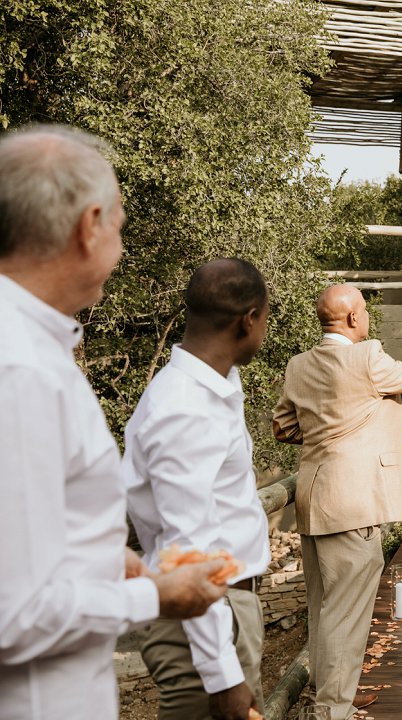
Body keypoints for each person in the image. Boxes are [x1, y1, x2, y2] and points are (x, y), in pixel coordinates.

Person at [0, 125, 228, 720]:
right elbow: (11, 613)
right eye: (120, 228)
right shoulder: (19, 369)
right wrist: (152, 595)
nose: (121, 250)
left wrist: (99, 558)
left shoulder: (35, 347)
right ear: (90, 225)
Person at [273, 284, 402, 720]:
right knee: (345, 613)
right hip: (353, 503)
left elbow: (283, 427)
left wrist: (330, 431)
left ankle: (328, 695)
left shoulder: (298, 364)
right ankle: (332, 709)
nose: (367, 317)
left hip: (314, 500)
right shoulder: (366, 357)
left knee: (326, 609)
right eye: (364, 310)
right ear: (351, 319)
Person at [124, 259, 273, 720]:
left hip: (223, 610)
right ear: (249, 319)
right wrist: (222, 674)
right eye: (266, 319)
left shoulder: (215, 386)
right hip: (200, 624)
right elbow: (186, 548)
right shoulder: (184, 408)